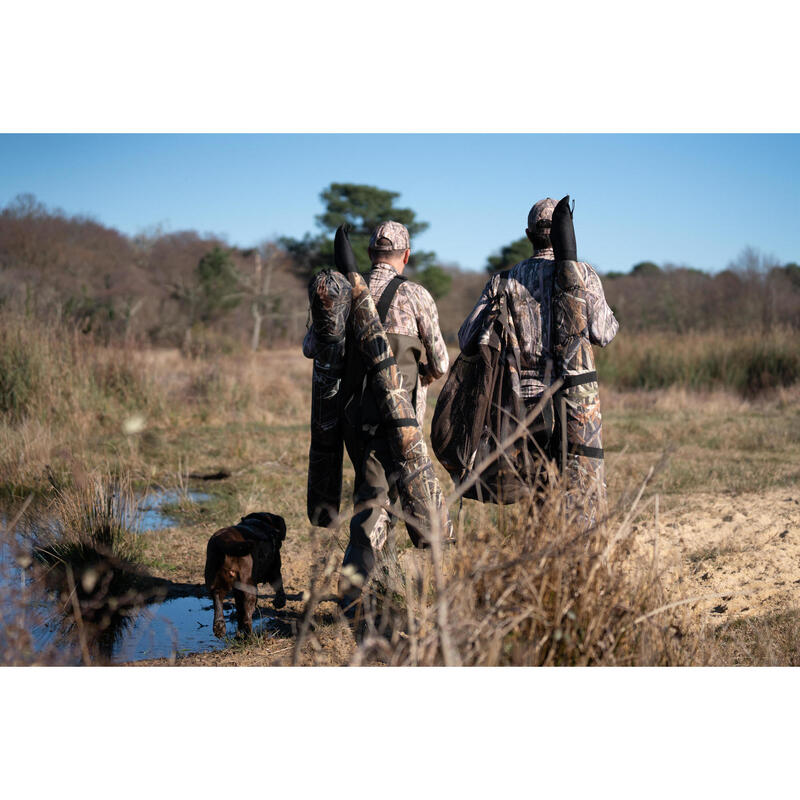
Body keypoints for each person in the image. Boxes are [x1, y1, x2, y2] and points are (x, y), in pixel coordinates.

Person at [306, 221, 449, 608]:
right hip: (398, 424)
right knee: (375, 502)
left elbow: (312, 346)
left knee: (380, 495)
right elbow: (440, 361)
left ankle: (384, 586)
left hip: (350, 417)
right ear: (405, 255)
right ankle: (351, 593)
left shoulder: (338, 293)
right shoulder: (416, 295)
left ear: (371, 255)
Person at [458, 198, 618, 488]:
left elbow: (467, 338)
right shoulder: (583, 274)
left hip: (518, 402)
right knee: (573, 491)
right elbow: (604, 333)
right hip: (574, 403)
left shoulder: (502, 281)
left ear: (528, 235)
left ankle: (534, 535)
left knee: (534, 488)